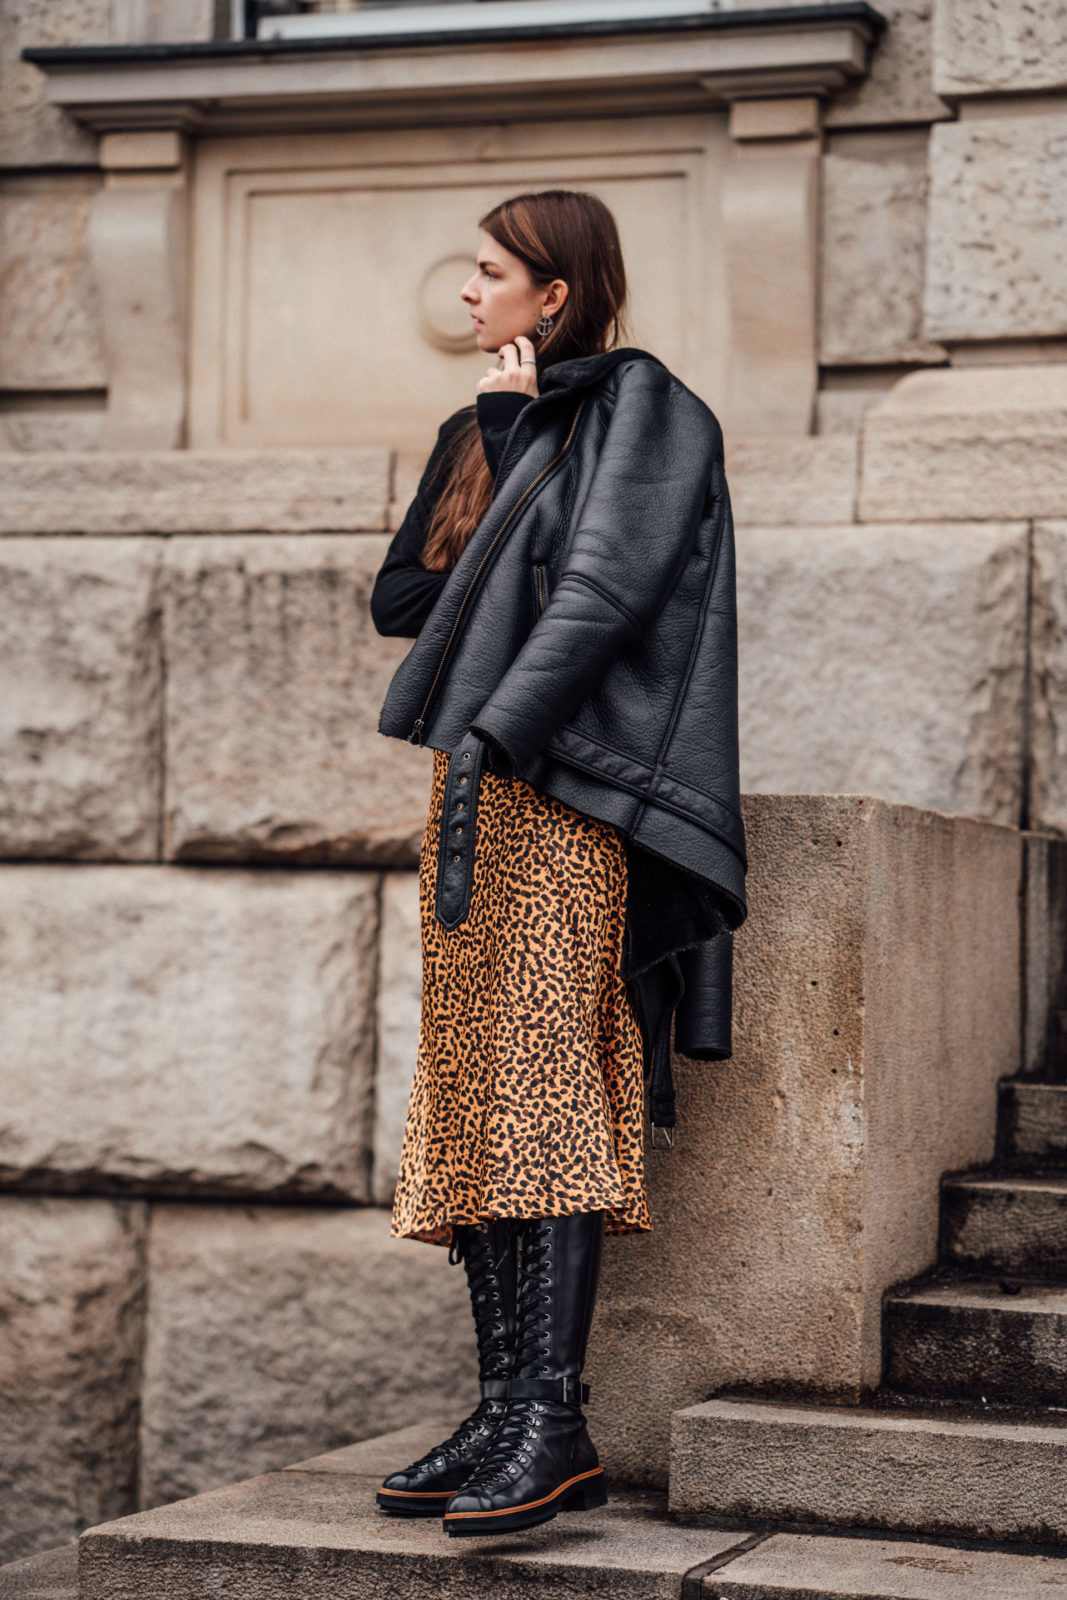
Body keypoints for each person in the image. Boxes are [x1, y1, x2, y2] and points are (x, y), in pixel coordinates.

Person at [370, 189, 746, 1539]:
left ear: (559, 291)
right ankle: (496, 1407)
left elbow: (603, 596)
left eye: (491, 272)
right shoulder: (491, 429)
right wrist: (495, 439)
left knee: (544, 1088)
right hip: (476, 800)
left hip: (563, 794)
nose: (467, 293)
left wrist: (498, 730)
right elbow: (402, 603)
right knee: (476, 1094)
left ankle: (556, 1416)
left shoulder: (646, 412)